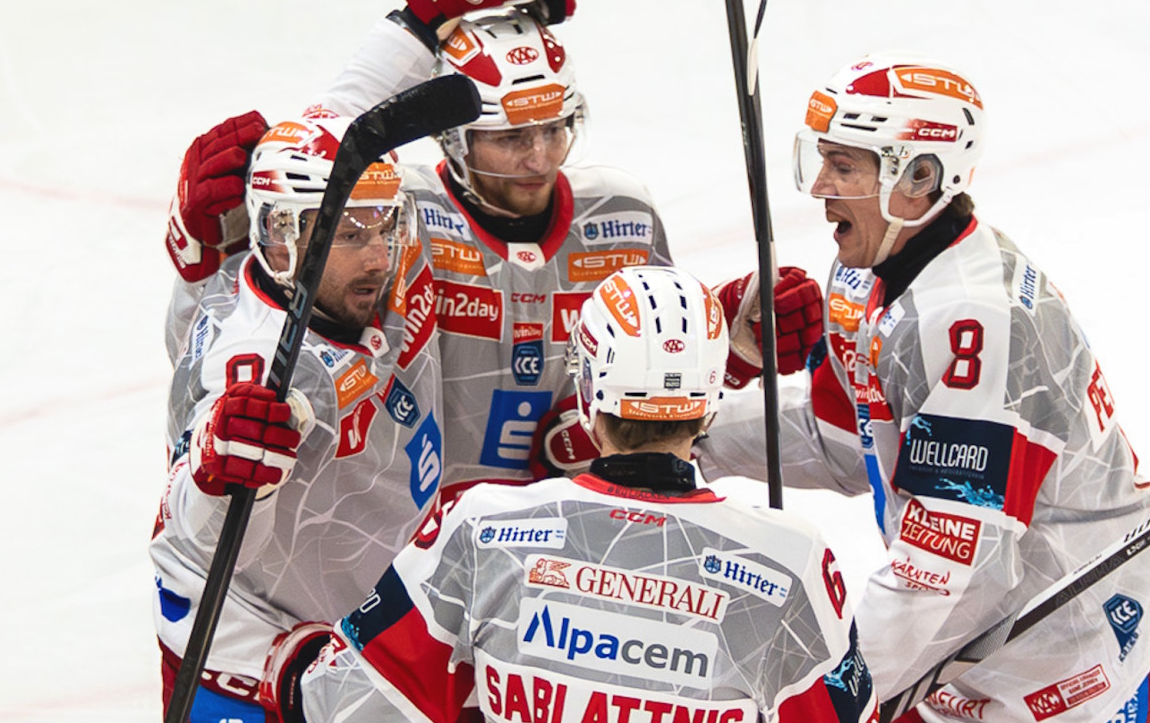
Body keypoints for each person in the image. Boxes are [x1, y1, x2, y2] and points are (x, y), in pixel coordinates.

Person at [162, 0, 823, 499]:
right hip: (401, 539)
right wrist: (203, 254)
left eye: (555, 128)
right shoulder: (398, 216)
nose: (538, 158)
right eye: (509, 137)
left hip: (567, 531)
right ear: (452, 138)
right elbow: (249, 310)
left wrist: (724, 344)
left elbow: (632, 405)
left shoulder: (624, 214)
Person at [695, 54, 1150, 723]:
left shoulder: (971, 321)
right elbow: (842, 439)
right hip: (973, 643)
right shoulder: (868, 275)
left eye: (845, 166)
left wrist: (832, 697)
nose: (820, 188)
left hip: (1060, 665)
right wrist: (682, 430)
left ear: (921, 176)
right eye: (822, 159)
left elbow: (956, 568)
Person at [272, 266, 874, 723]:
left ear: (587, 391)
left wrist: (291, 661)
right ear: (712, 396)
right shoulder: (793, 561)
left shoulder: (484, 527)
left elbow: (344, 703)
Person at [152, 113, 444, 723]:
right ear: (282, 238)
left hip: (362, 646)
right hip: (252, 669)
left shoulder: (363, 264)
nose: (376, 257)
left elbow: (342, 132)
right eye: (346, 234)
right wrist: (216, 470)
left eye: (382, 226)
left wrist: (410, 34)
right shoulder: (254, 364)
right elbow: (195, 534)